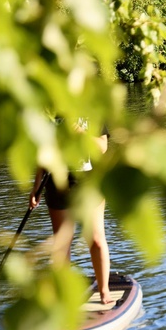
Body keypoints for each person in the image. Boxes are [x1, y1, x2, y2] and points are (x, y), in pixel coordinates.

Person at [30, 120, 112, 304]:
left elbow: (102, 146)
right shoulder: (51, 112)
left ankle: (104, 291)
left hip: (90, 186)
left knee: (96, 239)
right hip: (58, 185)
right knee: (61, 244)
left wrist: (81, 132)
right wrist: (36, 187)